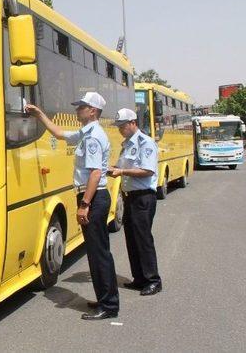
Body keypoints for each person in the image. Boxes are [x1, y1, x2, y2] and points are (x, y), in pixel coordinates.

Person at [26, 91, 119, 320]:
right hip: (92, 197)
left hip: (94, 197)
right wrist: (39, 114)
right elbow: (60, 134)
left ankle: (108, 306)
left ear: (93, 111)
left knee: (99, 254)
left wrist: (84, 204)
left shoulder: (94, 136)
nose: (78, 110)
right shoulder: (86, 132)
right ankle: (105, 299)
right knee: (96, 252)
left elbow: (96, 173)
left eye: (82, 107)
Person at [108, 108, 162, 296]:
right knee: (131, 239)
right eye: (118, 127)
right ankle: (139, 278)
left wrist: (121, 172)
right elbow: (123, 167)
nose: (120, 129)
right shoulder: (127, 144)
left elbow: (147, 170)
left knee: (143, 239)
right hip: (130, 197)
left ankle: (153, 280)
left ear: (133, 123)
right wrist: (111, 168)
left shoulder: (145, 142)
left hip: (143, 197)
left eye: (122, 126)